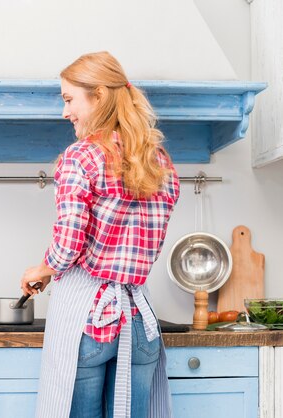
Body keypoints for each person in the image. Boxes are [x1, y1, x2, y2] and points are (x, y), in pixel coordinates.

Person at [20, 51, 180, 418]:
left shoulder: (81, 157)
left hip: (90, 320)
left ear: (99, 97)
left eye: (68, 99)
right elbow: (143, 249)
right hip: (140, 321)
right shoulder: (161, 163)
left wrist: (42, 270)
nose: (65, 112)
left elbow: (68, 245)